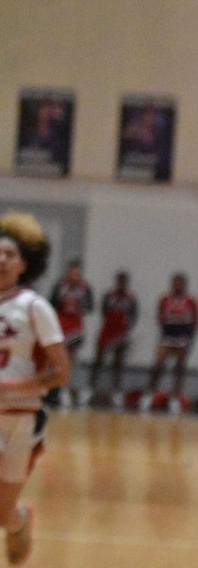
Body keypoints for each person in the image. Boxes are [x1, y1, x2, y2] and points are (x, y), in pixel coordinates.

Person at [0, 212, 71, 565]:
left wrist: (12, 386)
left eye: (9, 254)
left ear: (24, 263)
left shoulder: (34, 307)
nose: (1, 259)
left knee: (3, 511)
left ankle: (18, 522)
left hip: (21, 417)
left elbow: (60, 372)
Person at [141, 272, 198, 415]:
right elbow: (160, 316)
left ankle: (175, 397)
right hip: (167, 335)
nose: (178, 286)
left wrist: (189, 338)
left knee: (179, 367)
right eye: (176, 283)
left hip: (183, 337)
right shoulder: (165, 299)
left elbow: (196, 320)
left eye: (181, 283)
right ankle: (150, 393)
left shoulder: (190, 300)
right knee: (158, 364)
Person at [88, 271, 138, 409]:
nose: (121, 285)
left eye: (124, 282)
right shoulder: (109, 296)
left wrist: (126, 329)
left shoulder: (131, 298)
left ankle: (116, 391)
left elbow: (134, 315)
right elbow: (103, 311)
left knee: (118, 362)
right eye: (119, 282)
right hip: (108, 328)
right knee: (99, 359)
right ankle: (90, 388)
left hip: (122, 331)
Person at [48, 258, 92, 408]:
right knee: (57, 358)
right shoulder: (60, 286)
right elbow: (51, 304)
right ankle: (55, 390)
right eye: (72, 273)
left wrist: (80, 306)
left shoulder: (84, 288)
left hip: (75, 325)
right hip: (61, 324)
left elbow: (90, 307)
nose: (75, 277)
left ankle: (67, 389)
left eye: (77, 274)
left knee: (71, 359)